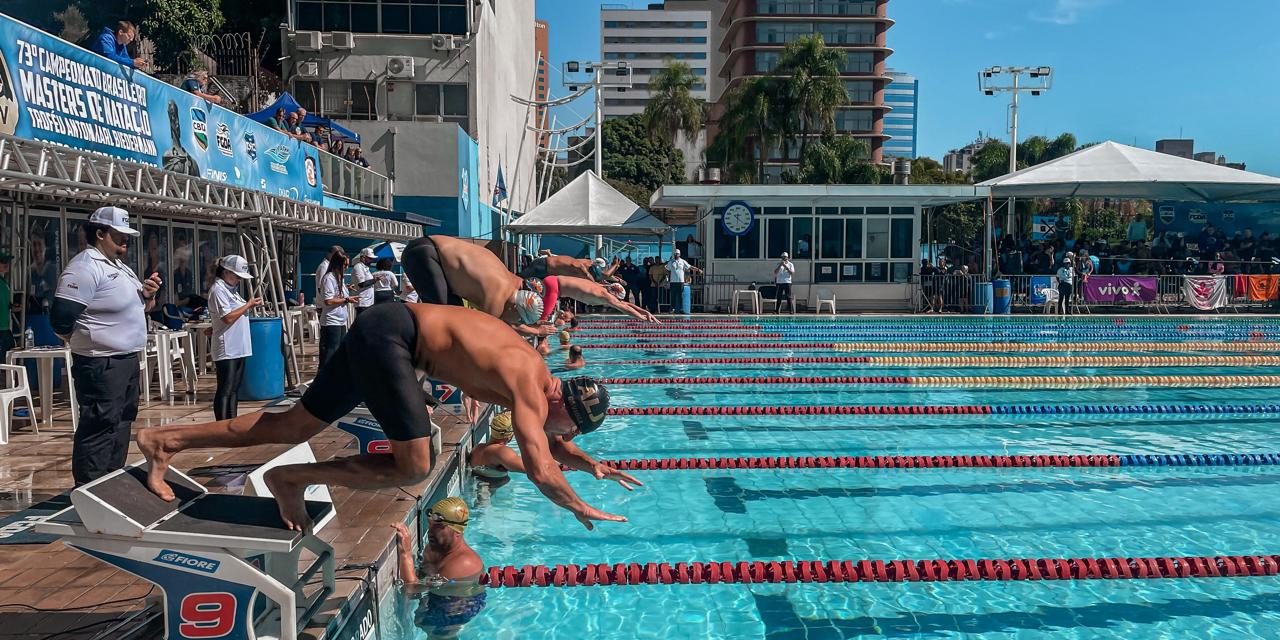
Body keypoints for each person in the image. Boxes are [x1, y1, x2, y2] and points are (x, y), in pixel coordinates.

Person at [137, 302, 621, 531]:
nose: (566, 436)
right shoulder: (530, 388)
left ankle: (167, 441)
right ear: (564, 409)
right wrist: (579, 505)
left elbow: (553, 447)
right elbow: (540, 466)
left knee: (293, 425)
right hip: (395, 341)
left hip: (386, 329)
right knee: (415, 464)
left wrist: (590, 465)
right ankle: (290, 480)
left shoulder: (539, 380)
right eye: (572, 429)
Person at [51, 207, 161, 485]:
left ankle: (110, 485)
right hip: (101, 363)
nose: (125, 241)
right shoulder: (85, 267)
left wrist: (147, 295)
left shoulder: (119, 266)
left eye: (127, 236)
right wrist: (82, 339)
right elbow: (62, 317)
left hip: (124, 360)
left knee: (120, 424)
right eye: (118, 235)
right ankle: (89, 489)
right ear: (99, 233)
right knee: (99, 427)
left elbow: (141, 308)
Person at [400, 236, 657, 338]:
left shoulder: (514, 282)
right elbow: (496, 329)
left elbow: (507, 323)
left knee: (451, 312)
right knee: (448, 322)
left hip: (437, 255)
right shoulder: (497, 299)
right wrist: (534, 331)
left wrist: (641, 312)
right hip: (425, 254)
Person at [392, 498, 486, 639]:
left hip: (458, 607)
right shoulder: (434, 549)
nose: (430, 531)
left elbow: (411, 590)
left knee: (437, 632)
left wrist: (405, 554)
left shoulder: (463, 563)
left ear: (457, 531)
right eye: (430, 524)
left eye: (438, 526)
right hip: (441, 598)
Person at [471, 411, 638, 490]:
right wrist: (560, 464)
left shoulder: (480, 448)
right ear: (510, 435)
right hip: (489, 493)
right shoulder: (502, 453)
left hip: (483, 488)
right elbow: (536, 467)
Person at [209, 255, 262, 420]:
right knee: (225, 388)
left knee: (234, 389)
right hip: (227, 347)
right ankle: (221, 425)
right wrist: (249, 304)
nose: (239, 280)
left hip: (239, 346)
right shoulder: (218, 290)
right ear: (225, 272)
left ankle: (231, 422)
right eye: (237, 276)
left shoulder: (232, 291)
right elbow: (227, 317)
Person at [318, 254, 356, 367]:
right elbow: (328, 301)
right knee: (330, 351)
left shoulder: (339, 278)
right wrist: (346, 299)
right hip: (331, 320)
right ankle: (325, 378)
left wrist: (347, 290)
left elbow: (338, 296)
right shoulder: (329, 277)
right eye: (345, 265)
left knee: (339, 350)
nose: (346, 267)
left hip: (341, 320)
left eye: (348, 265)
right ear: (337, 264)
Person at [665, 249, 701, 314]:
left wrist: (698, 269)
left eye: (677, 254)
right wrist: (667, 278)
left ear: (679, 254)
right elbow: (667, 270)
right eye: (675, 254)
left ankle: (681, 308)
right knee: (673, 296)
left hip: (680, 282)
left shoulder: (682, 261)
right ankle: (672, 308)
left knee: (680, 296)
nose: (676, 255)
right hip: (673, 282)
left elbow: (690, 267)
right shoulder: (671, 262)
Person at [350, 248, 377, 316]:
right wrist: (375, 280)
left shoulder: (365, 267)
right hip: (362, 302)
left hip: (368, 302)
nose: (371, 260)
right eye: (370, 258)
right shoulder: (358, 267)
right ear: (363, 257)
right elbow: (361, 284)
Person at [0, 254, 12, 363]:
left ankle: (8, 379)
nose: (6, 264)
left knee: (9, 355)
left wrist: (11, 306)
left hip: (4, 326)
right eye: (3, 262)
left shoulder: (3, 282)